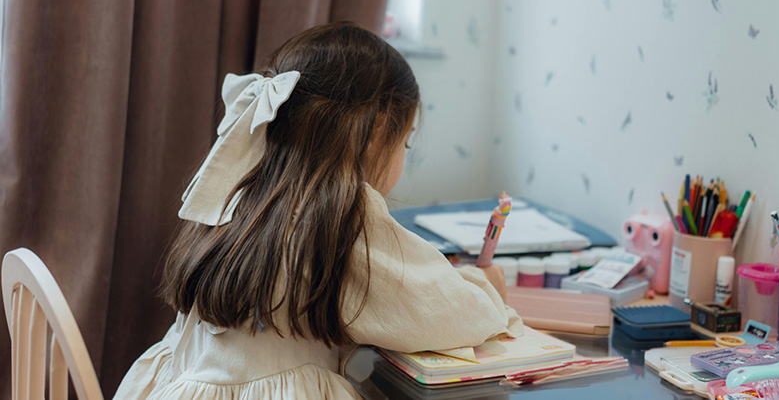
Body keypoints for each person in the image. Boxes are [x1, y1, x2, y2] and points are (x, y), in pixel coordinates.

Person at [114, 22, 521, 399]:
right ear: (378, 129)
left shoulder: (237, 183)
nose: (404, 154)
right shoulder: (342, 214)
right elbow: (445, 315)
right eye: (406, 143)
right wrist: (485, 286)